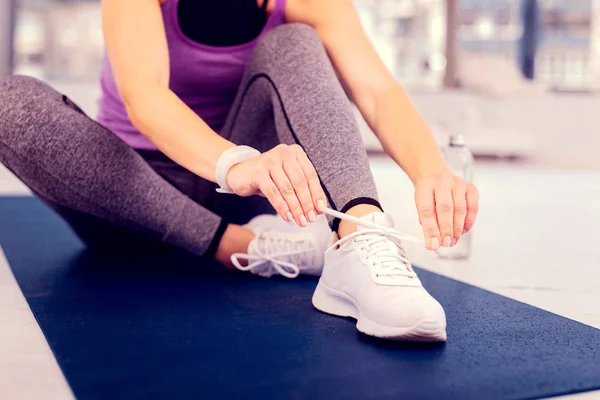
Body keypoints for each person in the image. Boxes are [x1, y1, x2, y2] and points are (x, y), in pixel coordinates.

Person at [0, 0, 479, 342]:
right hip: (128, 198)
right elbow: (146, 98)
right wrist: (234, 162)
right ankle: (236, 247)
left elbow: (376, 89)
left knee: (294, 41)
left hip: (241, 191)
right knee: (10, 105)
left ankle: (359, 234)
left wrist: (430, 170)